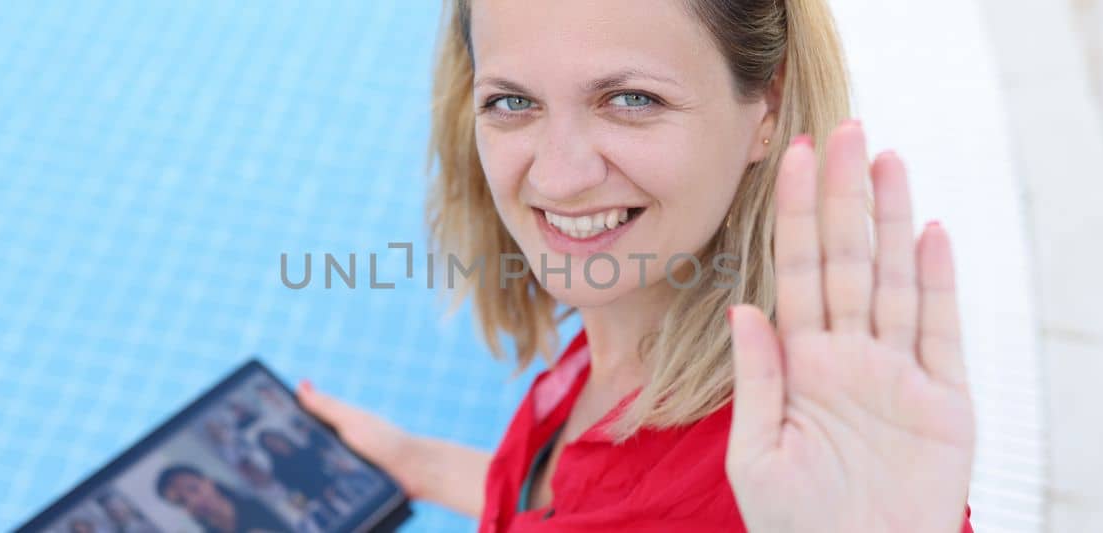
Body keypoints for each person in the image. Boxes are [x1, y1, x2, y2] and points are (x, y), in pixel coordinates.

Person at [299, 0, 977, 531]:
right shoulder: (633, 310)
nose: (560, 178)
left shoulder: (805, 460)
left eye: (632, 100)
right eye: (512, 102)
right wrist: (417, 465)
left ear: (766, 104)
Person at [155, 464, 292, 533]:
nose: (193, 501)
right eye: (181, 502)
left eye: (193, 488)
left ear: (208, 482)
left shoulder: (258, 504)